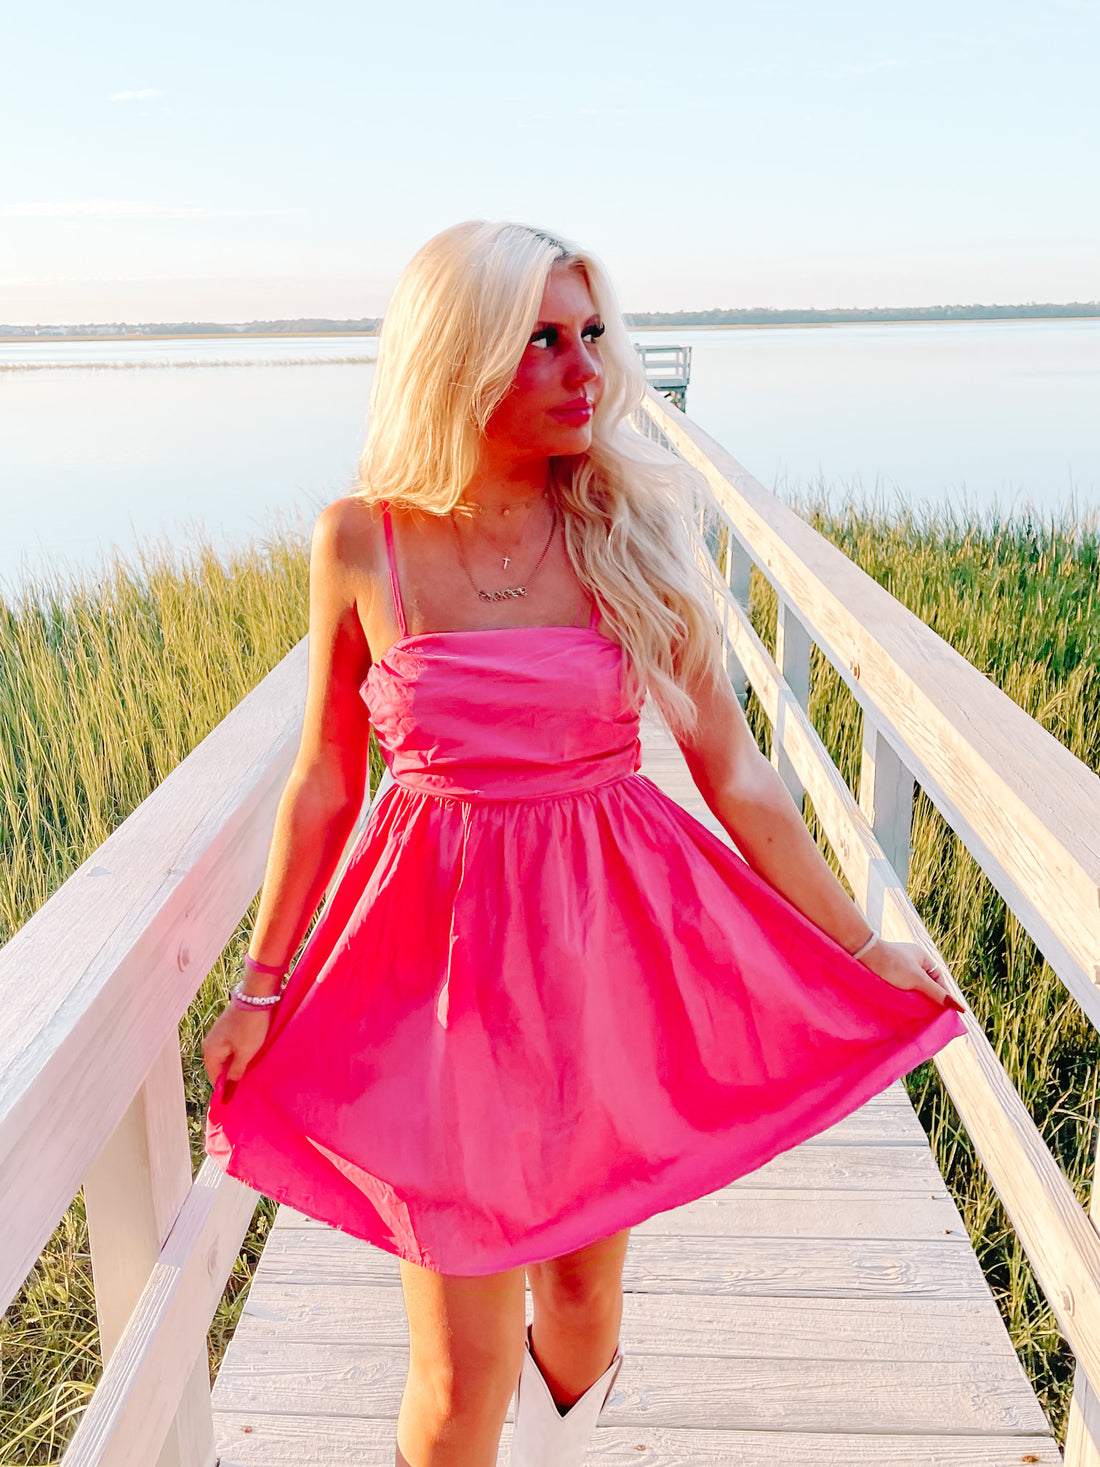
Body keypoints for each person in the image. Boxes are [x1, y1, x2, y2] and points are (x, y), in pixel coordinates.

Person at [203, 220, 966, 1467]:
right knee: (460, 1369)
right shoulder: (360, 541)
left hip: (598, 959)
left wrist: (858, 945)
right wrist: (259, 984)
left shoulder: (629, 530)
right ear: (459, 356)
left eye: (593, 335)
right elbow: (326, 784)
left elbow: (735, 773)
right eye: (542, 341)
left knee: (576, 1295)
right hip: (434, 983)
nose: (586, 369)